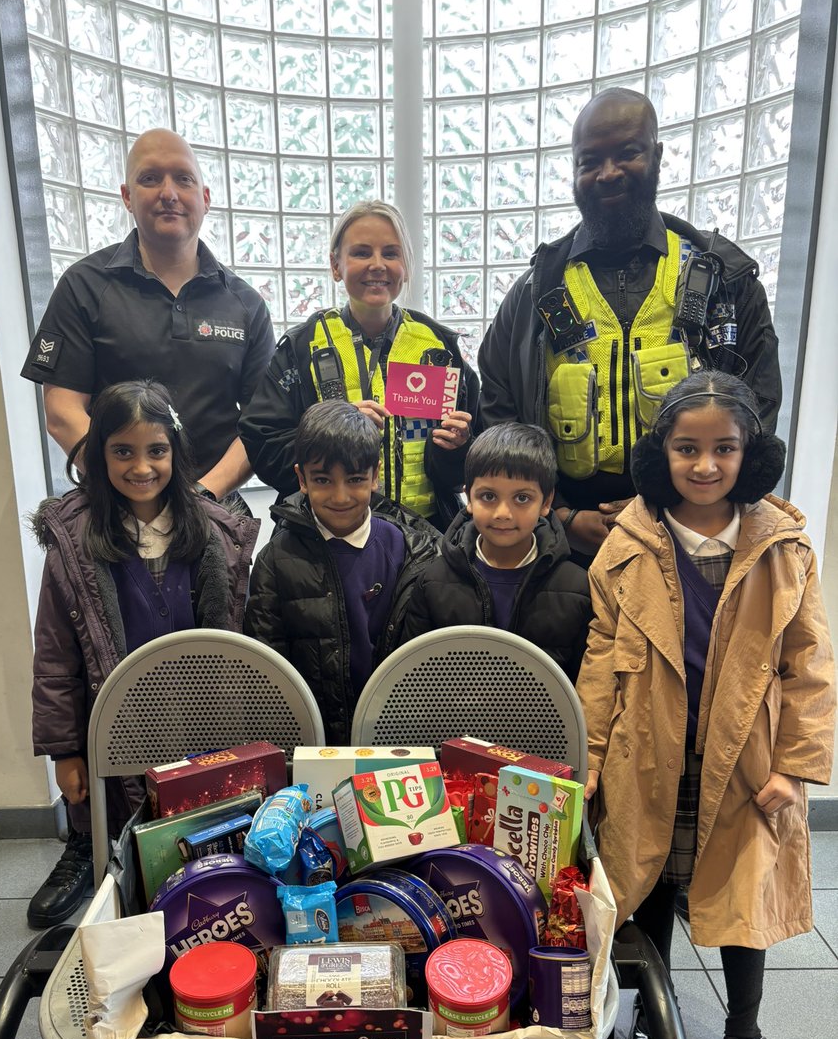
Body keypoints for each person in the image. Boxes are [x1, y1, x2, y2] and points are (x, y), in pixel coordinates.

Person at [576, 371, 834, 1039]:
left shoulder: (783, 547)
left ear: (749, 453)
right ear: (663, 453)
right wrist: (590, 752)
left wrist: (793, 765)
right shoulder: (626, 545)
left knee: (741, 903)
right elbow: (600, 653)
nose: (705, 465)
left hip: (748, 764)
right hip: (647, 752)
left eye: (724, 448)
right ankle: (655, 1012)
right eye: (687, 448)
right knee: (648, 887)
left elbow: (811, 663)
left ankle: (745, 1033)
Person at [477, 88, 781, 563]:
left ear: (657, 155)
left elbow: (758, 406)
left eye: (628, 153)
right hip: (563, 544)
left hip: (691, 533)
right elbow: (498, 407)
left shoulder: (725, 282)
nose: (608, 172)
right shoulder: (536, 291)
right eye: (589, 160)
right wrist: (557, 518)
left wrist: (685, 507)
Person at [29, 380, 259, 927]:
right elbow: (55, 658)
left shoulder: (214, 531)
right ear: (97, 452)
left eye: (156, 450)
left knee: (195, 820)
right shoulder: (74, 540)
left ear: (175, 451)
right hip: (112, 714)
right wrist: (64, 751)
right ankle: (94, 859)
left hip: (198, 714)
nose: (141, 466)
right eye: (122, 451)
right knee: (119, 822)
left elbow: (242, 643)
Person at [21, 128, 275, 497]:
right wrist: (129, 486)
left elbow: (260, 424)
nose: (168, 193)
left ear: (205, 198)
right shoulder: (84, 286)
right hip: (113, 511)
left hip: (215, 511)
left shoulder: (246, 304)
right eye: (150, 179)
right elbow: (62, 410)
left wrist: (203, 496)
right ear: (127, 196)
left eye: (183, 179)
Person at [238, 200, 479, 529]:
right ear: (336, 265)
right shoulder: (303, 347)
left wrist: (458, 448)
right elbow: (262, 441)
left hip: (425, 539)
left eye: (391, 254)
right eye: (362, 252)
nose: (378, 265)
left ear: (406, 266)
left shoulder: (439, 348)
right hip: (324, 540)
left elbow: (463, 470)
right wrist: (331, 437)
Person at [244, 401, 441, 743]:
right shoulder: (275, 560)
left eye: (354, 479)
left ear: (375, 475)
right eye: (323, 480)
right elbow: (267, 672)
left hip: (397, 738)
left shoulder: (414, 551)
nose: (340, 496)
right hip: (314, 742)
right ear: (301, 478)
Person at [399, 423, 591, 681]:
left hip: (542, 720)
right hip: (451, 719)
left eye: (522, 498)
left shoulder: (577, 587)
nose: (503, 513)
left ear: (546, 502)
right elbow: (412, 676)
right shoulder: (434, 580)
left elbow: (584, 685)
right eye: (488, 496)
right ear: (469, 497)